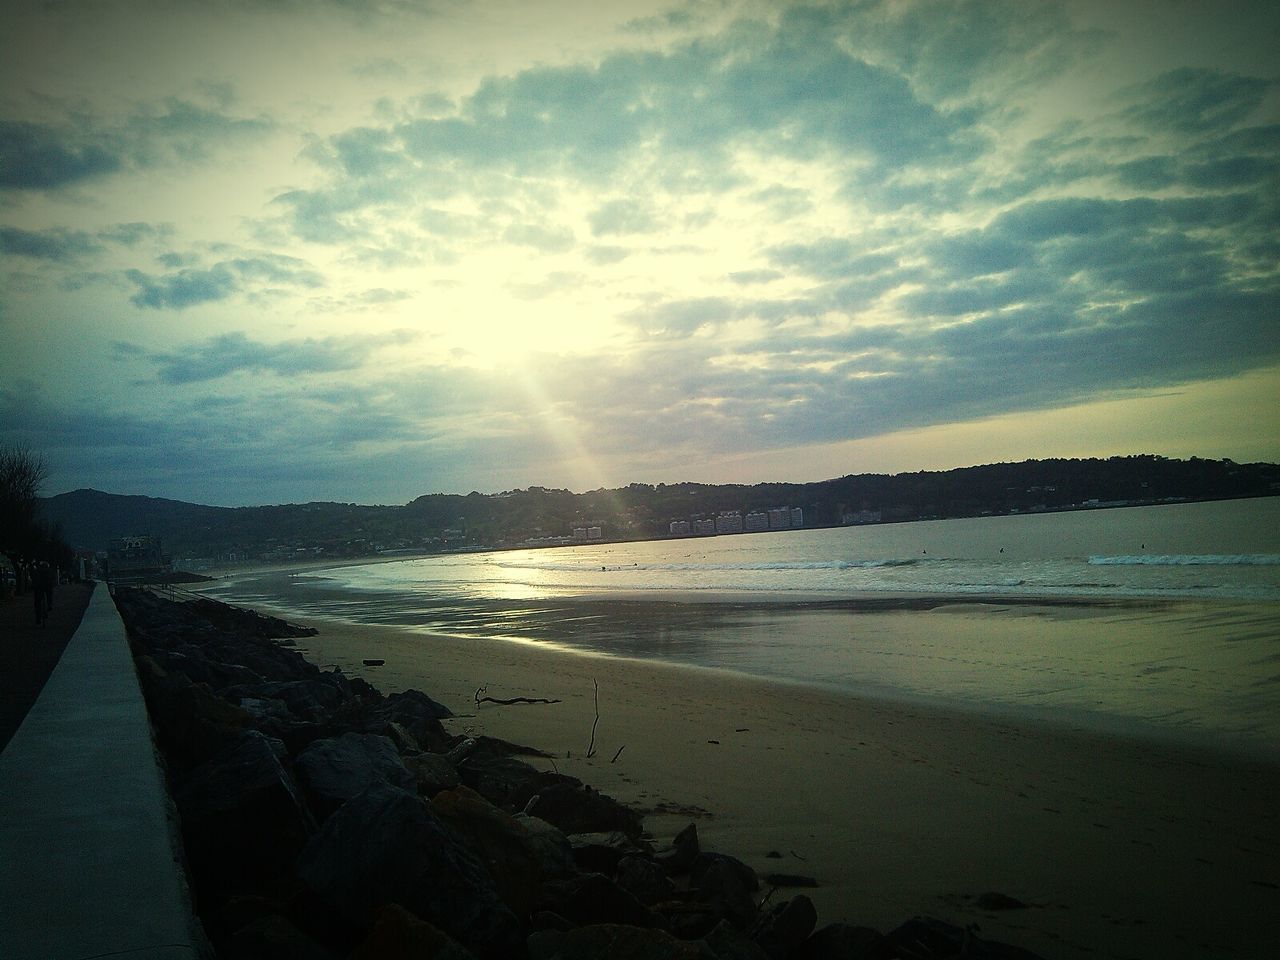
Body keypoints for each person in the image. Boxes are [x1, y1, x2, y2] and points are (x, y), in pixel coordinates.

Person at [33, 561, 55, 627]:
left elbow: (34, 578)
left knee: (37, 602)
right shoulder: (49, 570)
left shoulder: (37, 570)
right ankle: (49, 604)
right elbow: (53, 578)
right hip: (48, 586)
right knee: (49, 594)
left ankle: (38, 619)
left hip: (39, 587)